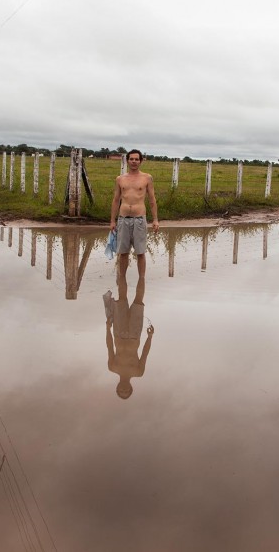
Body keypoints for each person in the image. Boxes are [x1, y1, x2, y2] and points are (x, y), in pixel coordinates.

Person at [103, 273, 153, 400]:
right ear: (131, 388)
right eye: (126, 391)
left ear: (117, 388)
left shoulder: (112, 367)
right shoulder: (138, 372)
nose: (124, 389)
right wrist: (149, 337)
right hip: (134, 335)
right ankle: (142, 273)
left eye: (121, 391)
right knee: (138, 299)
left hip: (118, 333)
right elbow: (145, 353)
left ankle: (122, 270)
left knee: (122, 296)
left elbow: (109, 347)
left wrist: (108, 329)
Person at [110, 149, 158, 279]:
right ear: (127, 161)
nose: (134, 161)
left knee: (140, 252)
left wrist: (155, 220)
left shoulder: (147, 178)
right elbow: (116, 200)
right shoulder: (120, 179)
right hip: (123, 219)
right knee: (123, 252)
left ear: (141, 161)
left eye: (137, 159)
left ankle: (141, 280)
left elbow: (152, 200)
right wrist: (112, 221)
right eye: (131, 159)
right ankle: (122, 279)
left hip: (139, 219)